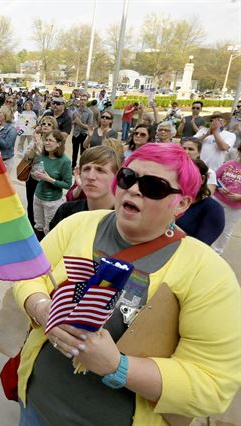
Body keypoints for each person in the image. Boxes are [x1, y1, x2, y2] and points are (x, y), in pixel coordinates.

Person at [14, 143, 241, 425]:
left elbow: (214, 384)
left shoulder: (208, 274)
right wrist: (42, 308)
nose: (134, 189)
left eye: (153, 186)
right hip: (36, 405)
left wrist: (118, 367)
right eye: (127, 178)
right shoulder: (78, 224)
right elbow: (29, 274)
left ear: (182, 204)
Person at [49, 145, 120, 231]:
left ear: (116, 176)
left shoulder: (124, 220)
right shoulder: (65, 212)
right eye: (86, 169)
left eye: (100, 170)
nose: (90, 176)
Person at [30, 130, 72, 238]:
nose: (47, 143)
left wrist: (49, 179)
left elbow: (67, 184)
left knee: (50, 230)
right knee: (38, 226)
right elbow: (35, 172)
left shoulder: (65, 161)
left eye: (51, 140)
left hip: (52, 201)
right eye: (46, 140)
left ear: (58, 144)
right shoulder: (42, 156)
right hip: (38, 197)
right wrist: (35, 174)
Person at [175, 159, 224, 245]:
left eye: (187, 175)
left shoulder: (213, 209)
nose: (181, 180)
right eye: (178, 175)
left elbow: (200, 246)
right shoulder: (168, 198)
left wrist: (169, 226)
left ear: (202, 179)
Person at [25, 116, 58, 228]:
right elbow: (27, 158)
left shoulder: (56, 142)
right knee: (31, 204)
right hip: (33, 177)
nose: (45, 126)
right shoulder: (36, 139)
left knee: (46, 206)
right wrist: (34, 147)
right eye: (43, 123)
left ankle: (45, 230)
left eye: (49, 124)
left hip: (47, 179)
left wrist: (38, 148)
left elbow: (50, 158)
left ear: (54, 127)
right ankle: (31, 228)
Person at [211, 143, 241, 254]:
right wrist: (219, 188)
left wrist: (240, 197)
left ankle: (217, 252)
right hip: (217, 200)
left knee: (225, 230)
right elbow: (214, 177)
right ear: (238, 151)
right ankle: (205, 246)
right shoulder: (229, 164)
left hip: (235, 207)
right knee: (210, 223)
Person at [0, 105, 17, 171]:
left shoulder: (12, 129)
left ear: (5, 115)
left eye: (0, 112)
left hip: (5, 160)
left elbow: (7, 145)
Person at [70, 94, 93, 168]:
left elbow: (89, 127)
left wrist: (80, 123)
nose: (83, 101)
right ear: (79, 100)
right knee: (74, 152)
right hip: (76, 134)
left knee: (83, 153)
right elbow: (70, 123)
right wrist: (75, 121)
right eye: (81, 99)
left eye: (84, 100)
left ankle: (81, 167)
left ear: (87, 101)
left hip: (84, 135)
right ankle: (73, 166)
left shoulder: (90, 112)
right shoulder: (75, 111)